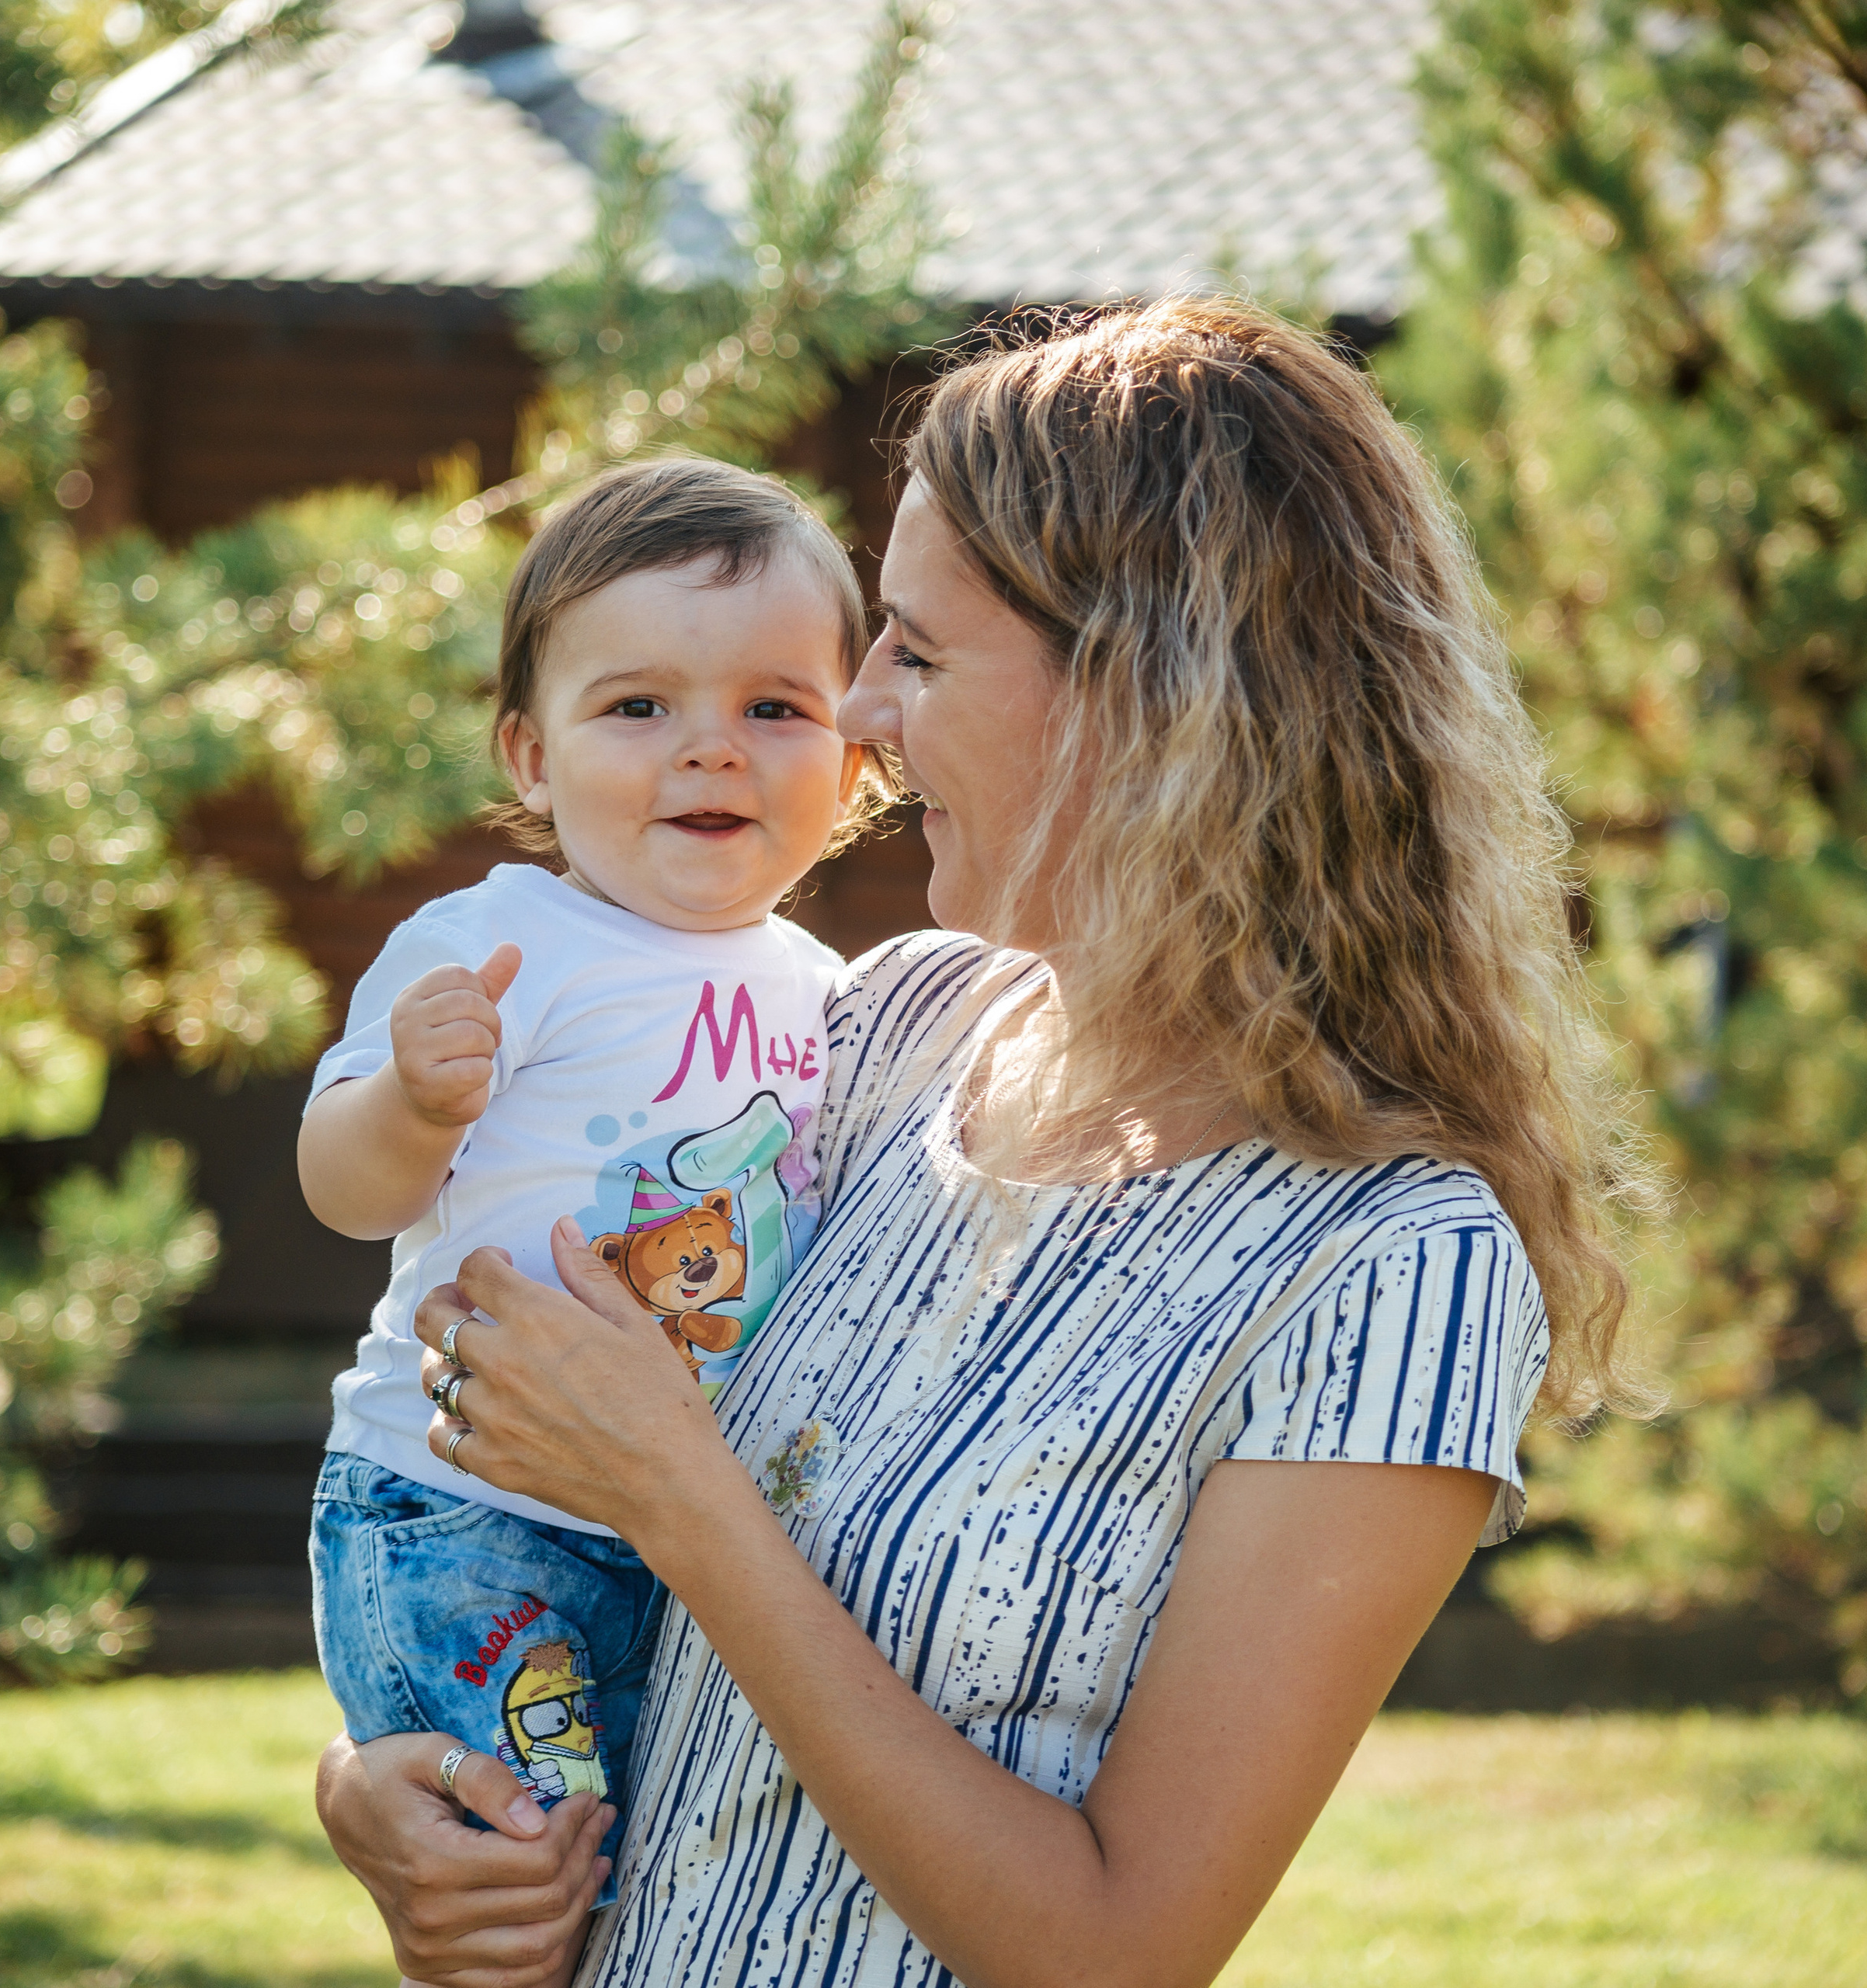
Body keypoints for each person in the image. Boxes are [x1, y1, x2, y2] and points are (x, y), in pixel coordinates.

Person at [315, 297, 1648, 1988]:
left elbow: (1117, 1951)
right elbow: (501, 1508)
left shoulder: (1392, 1269)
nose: (858, 710)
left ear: (1153, 702)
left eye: (921, 654)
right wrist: (377, 1785)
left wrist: (679, 1500)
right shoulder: (880, 1033)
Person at [296, 459, 891, 1940]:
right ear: (531, 757)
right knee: (524, 1891)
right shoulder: (501, 943)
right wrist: (411, 1105)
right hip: (468, 1510)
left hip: (683, 1532)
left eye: (775, 708)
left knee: (645, 1896)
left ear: (854, 764)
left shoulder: (832, 994)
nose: (711, 750)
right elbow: (343, 1193)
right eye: (638, 707)